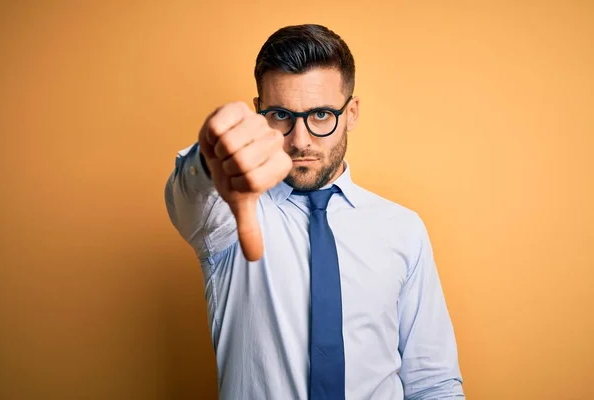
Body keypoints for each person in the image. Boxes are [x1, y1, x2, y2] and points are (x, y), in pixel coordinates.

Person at [165, 24, 464, 400]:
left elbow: (432, 381)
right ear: (259, 113)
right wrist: (209, 161)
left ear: (351, 112)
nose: (300, 140)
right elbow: (189, 196)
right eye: (280, 115)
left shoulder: (403, 229)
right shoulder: (226, 217)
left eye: (321, 114)